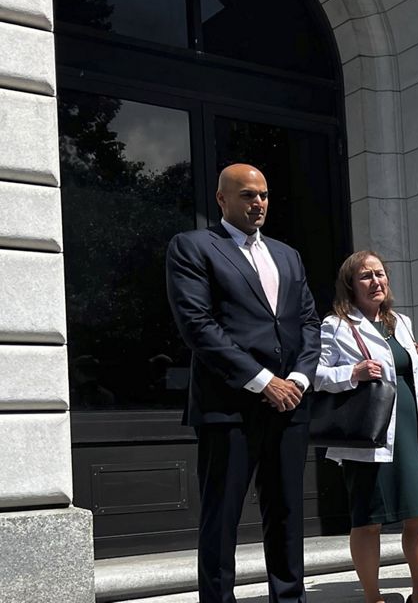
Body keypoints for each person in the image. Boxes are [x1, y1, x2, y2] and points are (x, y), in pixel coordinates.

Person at [165, 163, 319, 603]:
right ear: (221, 200)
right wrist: (263, 380)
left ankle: (289, 599)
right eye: (248, 195)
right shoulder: (194, 247)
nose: (258, 203)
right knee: (222, 517)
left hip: (290, 405)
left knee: (288, 514)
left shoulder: (287, 255)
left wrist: (300, 378)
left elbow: (308, 322)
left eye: (264, 195)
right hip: (229, 406)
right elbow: (198, 325)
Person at [314, 251, 418, 603]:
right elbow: (316, 375)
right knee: (369, 519)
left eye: (380, 274)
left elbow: (403, 367)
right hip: (371, 435)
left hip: (411, 430)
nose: (376, 281)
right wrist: (351, 372)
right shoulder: (335, 325)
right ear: (350, 285)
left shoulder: (401, 322)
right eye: (365, 276)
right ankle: (373, 597)